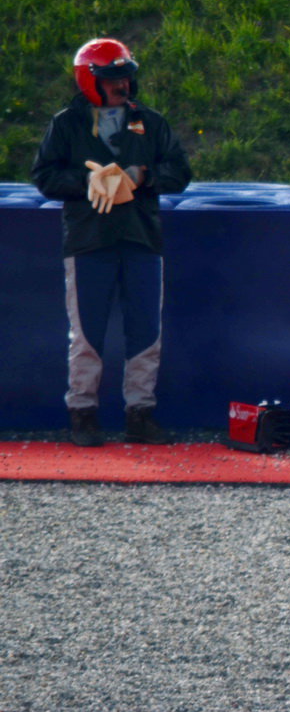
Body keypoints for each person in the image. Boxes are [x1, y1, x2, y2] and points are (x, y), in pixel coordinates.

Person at [31, 38, 193, 447]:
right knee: (86, 333)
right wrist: (87, 181)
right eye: (112, 78)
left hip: (141, 237)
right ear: (90, 80)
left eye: (126, 76)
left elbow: (180, 170)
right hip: (89, 240)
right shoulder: (66, 123)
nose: (122, 84)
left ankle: (141, 413)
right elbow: (44, 177)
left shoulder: (150, 121)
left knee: (146, 331)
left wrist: (143, 176)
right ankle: (82, 413)